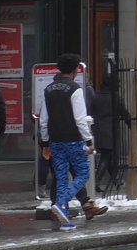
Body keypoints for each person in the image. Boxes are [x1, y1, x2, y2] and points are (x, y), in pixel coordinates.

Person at [36, 53, 94, 231]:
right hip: (73, 139)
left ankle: (65, 221)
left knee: (61, 177)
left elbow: (44, 119)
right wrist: (89, 139)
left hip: (55, 140)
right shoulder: (74, 88)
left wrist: (45, 142)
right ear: (76, 69)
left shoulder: (49, 89)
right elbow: (80, 119)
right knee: (82, 173)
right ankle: (61, 203)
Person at [91, 79, 131, 194]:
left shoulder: (96, 97)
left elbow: (91, 113)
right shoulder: (116, 97)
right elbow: (124, 113)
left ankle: (116, 181)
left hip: (97, 129)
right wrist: (132, 125)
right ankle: (96, 182)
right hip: (110, 130)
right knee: (106, 157)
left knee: (108, 156)